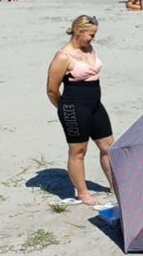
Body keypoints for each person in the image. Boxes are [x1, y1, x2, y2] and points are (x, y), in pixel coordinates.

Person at [46, 15, 116, 207]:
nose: (93, 38)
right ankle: (82, 192)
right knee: (78, 151)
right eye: (91, 34)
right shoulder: (63, 56)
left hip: (95, 104)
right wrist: (66, 109)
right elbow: (52, 90)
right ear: (79, 31)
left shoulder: (89, 48)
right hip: (74, 107)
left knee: (109, 147)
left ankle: (114, 185)